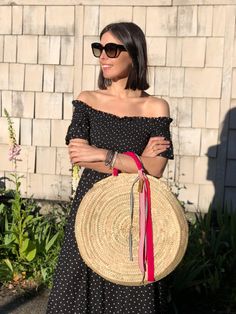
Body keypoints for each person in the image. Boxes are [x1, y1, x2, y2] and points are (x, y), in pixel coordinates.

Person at [46, 22, 173, 314]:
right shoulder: (87, 100)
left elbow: (155, 169)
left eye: (112, 49)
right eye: (99, 49)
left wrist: (101, 153)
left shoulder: (156, 107)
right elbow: (78, 155)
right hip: (90, 207)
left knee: (130, 295)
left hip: (134, 213)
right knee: (73, 294)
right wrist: (136, 159)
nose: (104, 56)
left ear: (134, 54)